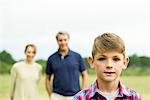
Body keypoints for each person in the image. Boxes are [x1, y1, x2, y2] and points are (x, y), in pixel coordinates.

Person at [73, 33, 142, 100]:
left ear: (125, 62)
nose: (109, 65)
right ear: (92, 62)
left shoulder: (134, 97)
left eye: (116, 59)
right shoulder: (80, 98)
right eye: (102, 59)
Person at [45, 32, 88, 100]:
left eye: (65, 40)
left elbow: (85, 75)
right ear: (57, 41)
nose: (63, 42)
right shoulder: (51, 58)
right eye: (60, 40)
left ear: (68, 40)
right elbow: (47, 78)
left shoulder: (77, 56)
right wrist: (51, 95)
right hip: (57, 96)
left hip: (75, 96)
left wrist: (82, 93)